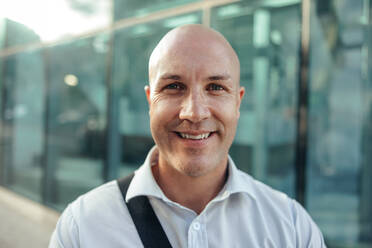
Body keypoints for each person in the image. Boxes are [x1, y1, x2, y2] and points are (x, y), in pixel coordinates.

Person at [49, 24, 326, 247]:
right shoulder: (82, 228)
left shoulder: (292, 229)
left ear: (238, 103)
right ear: (150, 101)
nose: (194, 113)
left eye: (216, 87)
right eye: (174, 86)